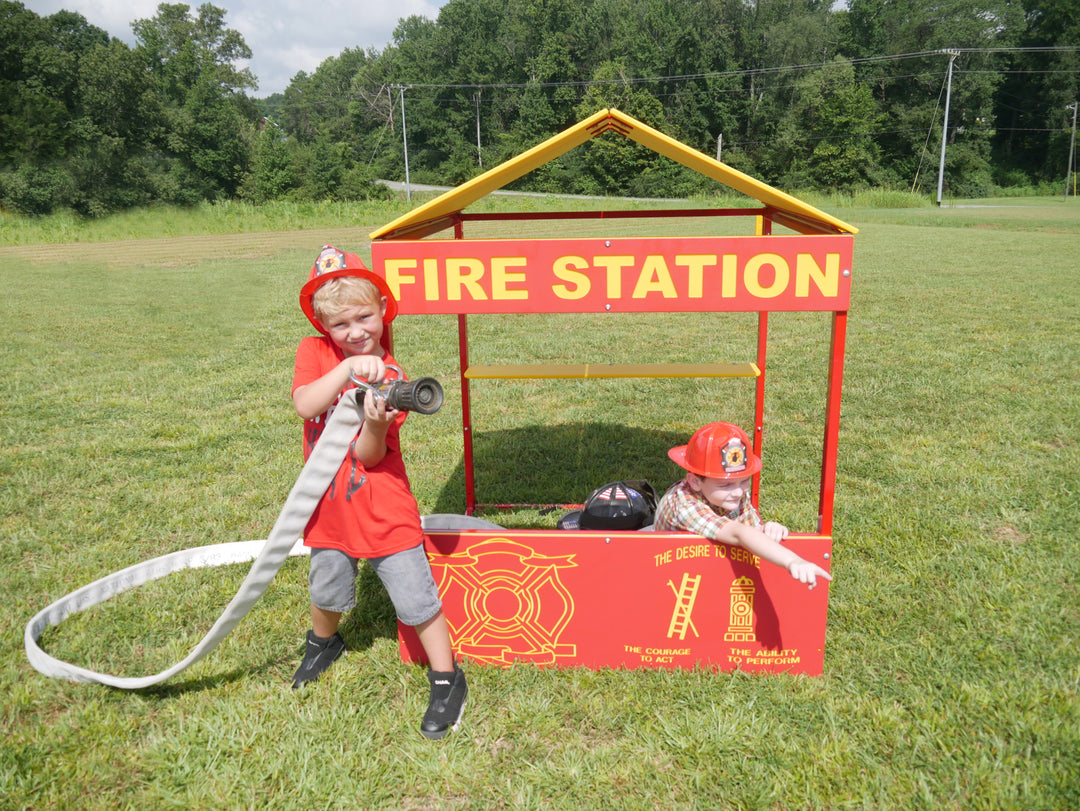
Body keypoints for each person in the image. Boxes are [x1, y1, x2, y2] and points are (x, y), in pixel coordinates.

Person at [289, 245, 466, 740]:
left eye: (364, 318)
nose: (356, 332)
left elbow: (369, 456)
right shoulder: (316, 353)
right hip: (328, 504)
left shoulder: (394, 378)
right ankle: (323, 644)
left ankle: (447, 676)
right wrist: (347, 371)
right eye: (341, 325)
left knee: (414, 596)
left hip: (383, 504)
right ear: (325, 328)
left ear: (383, 311)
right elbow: (306, 405)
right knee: (327, 585)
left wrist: (373, 421)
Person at [654, 422, 832, 589]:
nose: (739, 492)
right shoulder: (685, 504)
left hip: (702, 572)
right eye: (725, 485)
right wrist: (793, 561)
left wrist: (767, 530)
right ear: (695, 482)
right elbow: (739, 533)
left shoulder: (731, 495)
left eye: (744, 481)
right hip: (667, 577)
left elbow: (751, 534)